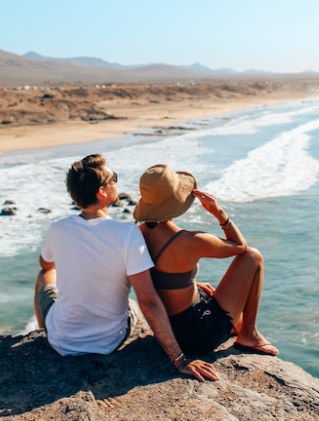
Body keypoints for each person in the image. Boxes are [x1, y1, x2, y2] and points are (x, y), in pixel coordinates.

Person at [34, 153, 218, 381]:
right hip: (109, 342)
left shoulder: (57, 229)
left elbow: (46, 265)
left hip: (61, 341)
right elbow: (149, 300)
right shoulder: (127, 234)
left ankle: (43, 332)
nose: (116, 184)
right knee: (133, 305)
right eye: (114, 179)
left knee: (45, 275)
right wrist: (179, 359)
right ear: (102, 192)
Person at [134, 163, 278, 359]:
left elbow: (157, 277)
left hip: (166, 331)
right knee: (254, 256)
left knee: (234, 316)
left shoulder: (135, 235)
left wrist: (189, 284)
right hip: (197, 337)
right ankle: (249, 336)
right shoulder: (189, 241)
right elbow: (240, 246)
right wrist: (219, 213)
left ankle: (241, 328)